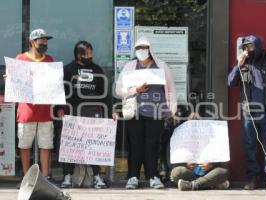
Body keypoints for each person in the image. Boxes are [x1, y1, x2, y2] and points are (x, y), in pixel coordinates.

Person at [228, 35, 266, 191]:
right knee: (250, 145)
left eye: (251, 46)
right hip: (249, 113)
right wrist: (238, 64)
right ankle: (252, 178)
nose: (248, 49)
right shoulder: (243, 62)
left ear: (258, 46)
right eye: (246, 46)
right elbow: (230, 82)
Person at [115, 37, 177, 189]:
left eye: (144, 47)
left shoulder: (160, 66)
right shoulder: (130, 66)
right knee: (135, 145)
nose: (141, 51)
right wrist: (136, 90)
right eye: (138, 48)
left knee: (152, 145)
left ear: (150, 49)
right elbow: (118, 90)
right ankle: (132, 177)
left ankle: (153, 176)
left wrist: (171, 110)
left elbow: (170, 89)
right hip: (135, 112)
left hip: (156, 112)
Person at [58, 41, 107, 189]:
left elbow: (104, 93)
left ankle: (97, 176)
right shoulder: (68, 70)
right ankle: (68, 175)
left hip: (92, 113)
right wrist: (60, 108)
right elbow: (61, 92)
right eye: (86, 54)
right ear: (79, 55)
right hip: (72, 111)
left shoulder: (97, 69)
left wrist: (108, 111)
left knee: (93, 144)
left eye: (91, 53)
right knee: (69, 144)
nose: (89, 56)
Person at [16, 29, 54, 183]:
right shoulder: (20, 59)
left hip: (45, 110)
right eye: (41, 41)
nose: (44, 43)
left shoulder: (50, 60)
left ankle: (45, 177)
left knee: (46, 145)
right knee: (24, 145)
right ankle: (26, 177)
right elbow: (15, 82)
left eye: (46, 41)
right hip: (27, 111)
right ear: (32, 42)